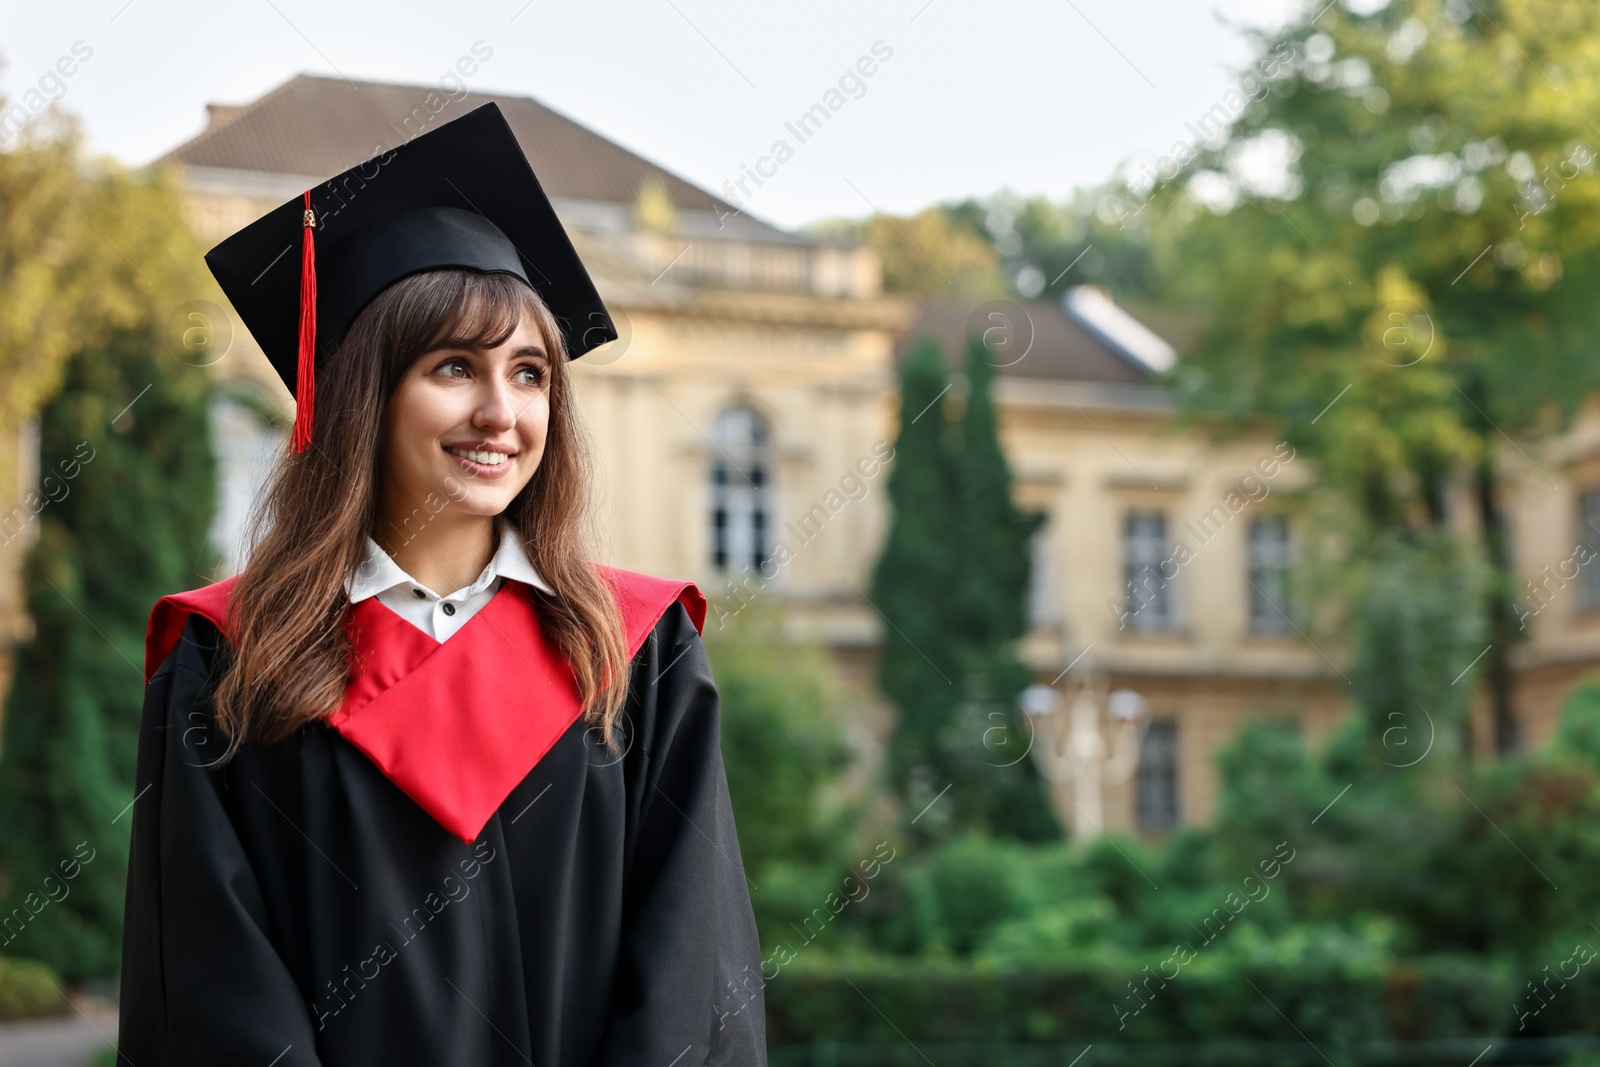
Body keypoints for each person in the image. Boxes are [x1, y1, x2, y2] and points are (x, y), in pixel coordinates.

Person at [118, 102, 768, 1065]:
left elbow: (692, 971)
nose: (500, 413)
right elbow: (212, 987)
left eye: (531, 373)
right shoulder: (229, 659)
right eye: (454, 367)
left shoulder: (639, 649)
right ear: (359, 396)